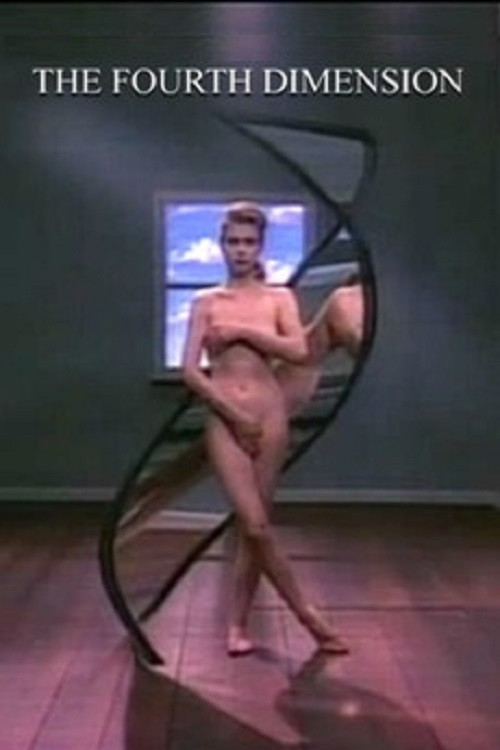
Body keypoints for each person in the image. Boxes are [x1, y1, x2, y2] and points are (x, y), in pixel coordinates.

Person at [181, 202, 356, 657]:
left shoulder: (278, 298)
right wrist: (233, 415)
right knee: (255, 526)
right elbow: (190, 371)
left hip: (270, 414)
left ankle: (237, 625)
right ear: (221, 245)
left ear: (260, 247)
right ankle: (311, 619)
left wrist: (243, 333)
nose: (241, 250)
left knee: (253, 527)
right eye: (233, 242)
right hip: (226, 418)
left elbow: (298, 351)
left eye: (249, 242)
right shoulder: (206, 303)